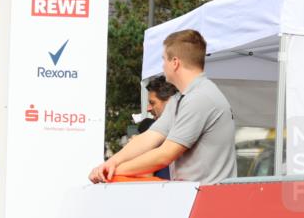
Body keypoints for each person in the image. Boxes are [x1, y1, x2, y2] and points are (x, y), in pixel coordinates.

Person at [89, 29, 237, 184]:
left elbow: (165, 154)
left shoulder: (200, 97)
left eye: (163, 60)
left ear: (175, 62)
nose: (162, 66)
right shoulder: (181, 98)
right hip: (194, 194)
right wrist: (111, 163)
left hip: (210, 198)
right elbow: (149, 137)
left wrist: (114, 171)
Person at [135, 75, 178, 180]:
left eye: (152, 103)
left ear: (169, 102)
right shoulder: (157, 130)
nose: (148, 108)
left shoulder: (184, 129)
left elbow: (145, 175)